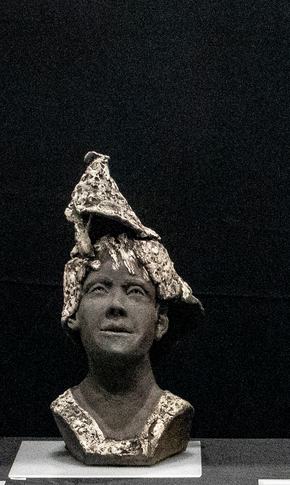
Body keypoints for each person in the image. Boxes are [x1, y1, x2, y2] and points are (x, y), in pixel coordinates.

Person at [51, 152, 203, 465]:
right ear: (73, 312)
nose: (116, 306)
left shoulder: (174, 414)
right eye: (98, 289)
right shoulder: (65, 410)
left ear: (161, 321)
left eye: (135, 292)